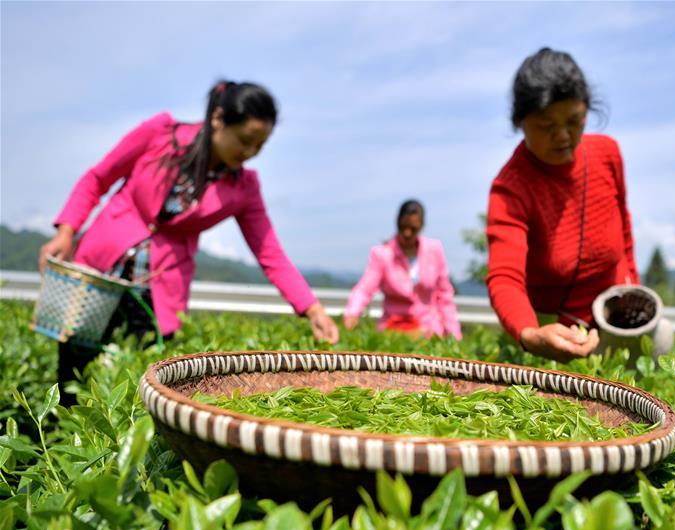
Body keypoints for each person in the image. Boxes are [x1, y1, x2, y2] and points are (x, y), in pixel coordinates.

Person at [39, 80, 339, 397]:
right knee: (72, 373)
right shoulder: (160, 134)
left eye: (259, 146)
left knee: (142, 386)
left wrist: (313, 309)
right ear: (218, 118)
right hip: (98, 272)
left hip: (158, 291)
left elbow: (269, 252)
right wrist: (66, 231)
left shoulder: (243, 188)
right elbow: (98, 178)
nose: (249, 152)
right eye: (245, 140)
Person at [487, 47, 647, 362]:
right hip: (552, 333)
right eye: (546, 126)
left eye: (574, 121)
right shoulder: (511, 187)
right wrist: (529, 334)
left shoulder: (607, 154)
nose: (562, 136)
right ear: (520, 122)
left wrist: (632, 295)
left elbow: (624, 234)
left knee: (661, 341)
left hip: (611, 319)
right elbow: (505, 276)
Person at [343, 200, 462, 340]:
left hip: (428, 331)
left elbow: (444, 295)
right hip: (393, 331)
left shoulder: (434, 250)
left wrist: (454, 334)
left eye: (413, 229)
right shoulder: (383, 254)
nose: (407, 233)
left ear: (422, 226)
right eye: (403, 227)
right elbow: (364, 289)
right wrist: (352, 313)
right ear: (397, 222)